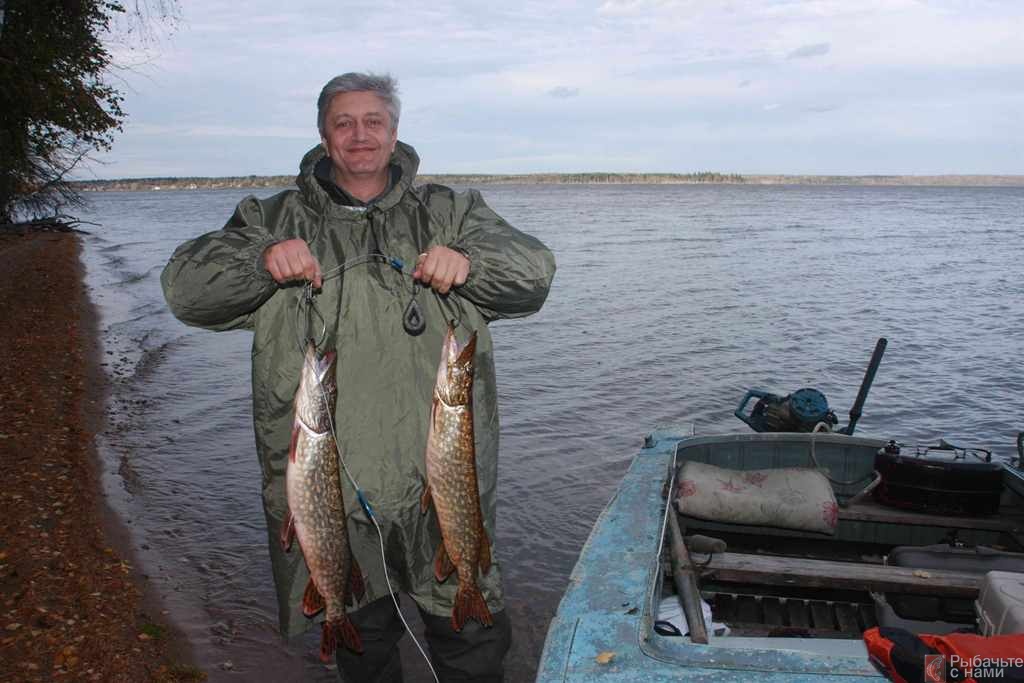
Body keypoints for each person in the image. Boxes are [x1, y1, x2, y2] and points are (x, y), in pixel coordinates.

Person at [161, 72, 555, 682]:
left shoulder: (451, 212)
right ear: (323, 135)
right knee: (363, 656)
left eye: (374, 121)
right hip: (335, 498)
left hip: (439, 491)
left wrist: (472, 262)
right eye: (343, 122)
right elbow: (187, 291)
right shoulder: (272, 217)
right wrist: (257, 260)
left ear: (395, 134)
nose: (359, 134)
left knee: (474, 646)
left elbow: (532, 277)